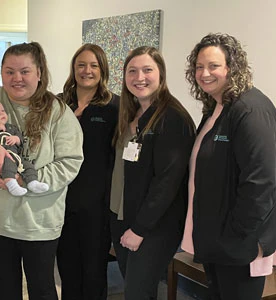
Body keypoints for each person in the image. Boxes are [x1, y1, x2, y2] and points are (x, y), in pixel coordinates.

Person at [0, 41, 84, 300]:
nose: (17, 78)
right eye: (9, 71)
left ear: (39, 73)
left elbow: (70, 162)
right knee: (6, 287)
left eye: (25, 71)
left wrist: (24, 181)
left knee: (42, 288)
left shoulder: (57, 111)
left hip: (38, 219)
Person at [183, 33, 276, 300]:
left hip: (239, 246)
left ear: (232, 68)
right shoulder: (217, 106)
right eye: (199, 67)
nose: (204, 73)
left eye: (213, 66)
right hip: (218, 240)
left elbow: (262, 182)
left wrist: (238, 233)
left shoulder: (251, 110)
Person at [109, 46, 195, 299]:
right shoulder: (131, 112)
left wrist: (140, 229)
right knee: (137, 289)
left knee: (137, 292)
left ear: (161, 74)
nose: (139, 77)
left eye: (148, 70)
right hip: (123, 215)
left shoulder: (172, 118)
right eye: (132, 71)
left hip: (153, 225)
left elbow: (167, 181)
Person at [56, 43, 119, 300]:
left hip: (97, 205)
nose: (87, 70)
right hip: (61, 201)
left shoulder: (116, 106)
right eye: (81, 65)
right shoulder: (59, 103)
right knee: (67, 270)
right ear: (73, 68)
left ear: (102, 70)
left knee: (93, 274)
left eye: (94, 65)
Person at [0, 98, 49, 196]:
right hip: (1, 158)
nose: (1, 114)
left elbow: (21, 140)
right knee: (8, 163)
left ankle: (33, 182)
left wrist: (16, 139)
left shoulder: (11, 127)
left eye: (3, 111)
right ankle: (12, 184)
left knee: (28, 166)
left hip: (16, 156)